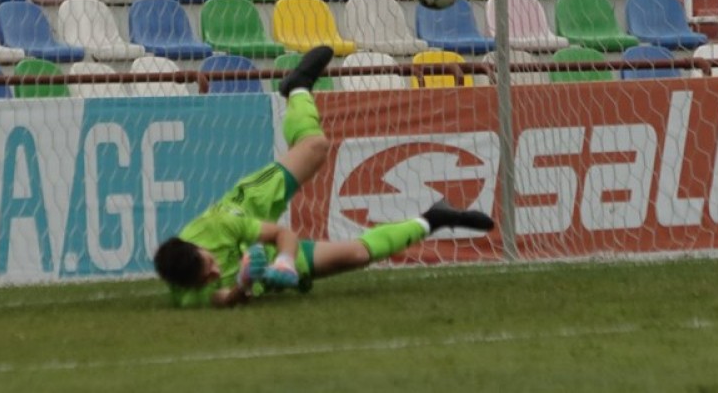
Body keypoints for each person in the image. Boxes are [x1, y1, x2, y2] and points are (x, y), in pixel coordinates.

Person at [153, 46, 495, 308]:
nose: (214, 272)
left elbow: (282, 233)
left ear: (199, 247)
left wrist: (285, 260)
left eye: (210, 264)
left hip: (250, 204)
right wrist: (243, 285)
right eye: (207, 277)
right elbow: (223, 299)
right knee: (358, 255)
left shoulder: (218, 226)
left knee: (315, 146)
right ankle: (434, 218)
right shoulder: (187, 294)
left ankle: (297, 88)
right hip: (262, 262)